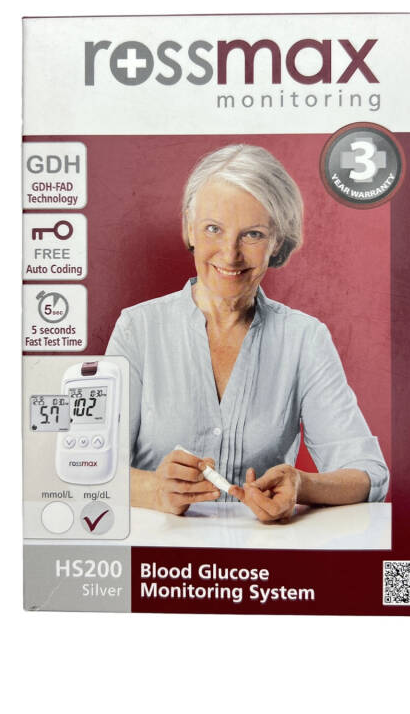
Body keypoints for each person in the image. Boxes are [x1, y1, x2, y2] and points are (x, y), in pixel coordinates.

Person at [106, 144, 389, 523]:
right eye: (213, 229)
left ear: (277, 241)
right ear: (190, 228)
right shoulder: (138, 329)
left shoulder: (304, 339)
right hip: (157, 553)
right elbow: (89, 469)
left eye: (252, 234)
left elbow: (368, 473)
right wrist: (154, 489)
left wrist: (302, 484)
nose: (230, 254)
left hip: (262, 555)